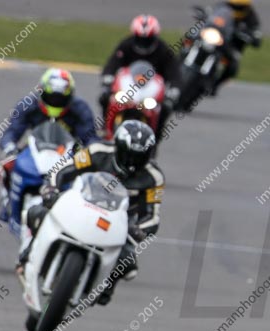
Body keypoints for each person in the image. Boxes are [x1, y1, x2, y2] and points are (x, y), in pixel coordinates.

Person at [18, 120, 164, 306]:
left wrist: (139, 229)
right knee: (35, 212)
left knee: (128, 264)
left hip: (119, 221)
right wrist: (52, 189)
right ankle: (28, 252)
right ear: (118, 146)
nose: (132, 163)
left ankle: (105, 288)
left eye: (139, 157)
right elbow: (64, 170)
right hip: (81, 202)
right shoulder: (97, 150)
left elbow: (153, 215)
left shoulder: (154, 177)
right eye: (129, 156)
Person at [0, 68, 96, 221]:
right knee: (7, 165)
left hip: (67, 153)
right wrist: (9, 146)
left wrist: (89, 152)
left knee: (89, 175)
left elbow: (90, 138)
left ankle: (82, 214)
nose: (55, 102)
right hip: (33, 150)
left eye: (60, 98)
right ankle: (8, 205)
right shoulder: (28, 104)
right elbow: (11, 132)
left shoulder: (81, 109)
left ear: (70, 96)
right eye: (51, 97)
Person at [99, 14, 181, 138]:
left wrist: (174, 89)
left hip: (151, 90)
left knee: (165, 108)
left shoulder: (163, 50)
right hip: (128, 86)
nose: (143, 43)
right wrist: (107, 78)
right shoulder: (126, 45)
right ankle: (106, 129)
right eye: (140, 39)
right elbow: (113, 63)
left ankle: (155, 138)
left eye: (147, 40)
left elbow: (174, 72)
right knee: (105, 97)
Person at [207, 0, 262, 95]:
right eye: (233, 5)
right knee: (191, 39)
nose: (236, 8)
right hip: (215, 38)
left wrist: (252, 37)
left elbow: (257, 37)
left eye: (240, 7)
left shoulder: (251, 17)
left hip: (231, 47)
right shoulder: (222, 7)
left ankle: (214, 86)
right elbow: (210, 15)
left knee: (233, 67)